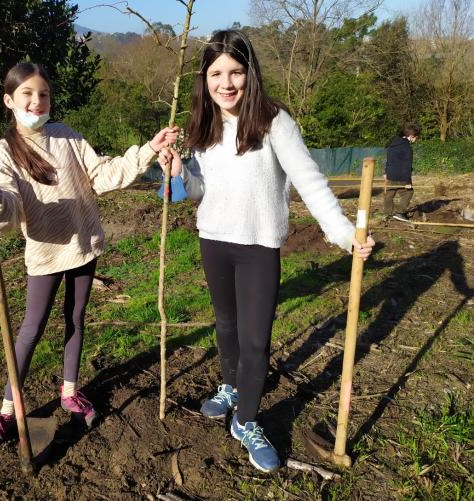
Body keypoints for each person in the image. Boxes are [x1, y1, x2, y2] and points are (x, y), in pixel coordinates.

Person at [158, 30, 375, 473]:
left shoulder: (275, 120)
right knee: (226, 325)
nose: (226, 83)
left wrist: (342, 232)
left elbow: (309, 180)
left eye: (235, 71)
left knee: (255, 340)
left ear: (249, 73)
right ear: (205, 78)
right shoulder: (204, 123)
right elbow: (200, 191)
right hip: (213, 240)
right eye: (216, 73)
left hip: (258, 246)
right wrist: (181, 172)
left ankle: (247, 421)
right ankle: (231, 386)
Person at [0, 62, 178, 453]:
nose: (36, 101)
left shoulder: (66, 137)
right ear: (9, 100)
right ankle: (8, 411)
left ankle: (69, 392)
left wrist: (150, 148)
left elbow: (102, 173)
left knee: (75, 319)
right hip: (46, 253)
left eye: (43, 94)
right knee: (31, 328)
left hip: (83, 245)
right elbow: (7, 211)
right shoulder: (3, 152)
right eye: (27, 94)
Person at [384, 124, 420, 222]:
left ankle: (388, 213)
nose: (416, 140)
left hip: (390, 174)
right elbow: (406, 166)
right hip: (401, 176)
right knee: (408, 193)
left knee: (389, 194)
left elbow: (388, 159)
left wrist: (385, 172)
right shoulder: (407, 147)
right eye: (416, 138)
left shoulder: (393, 143)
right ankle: (400, 213)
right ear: (412, 136)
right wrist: (408, 182)